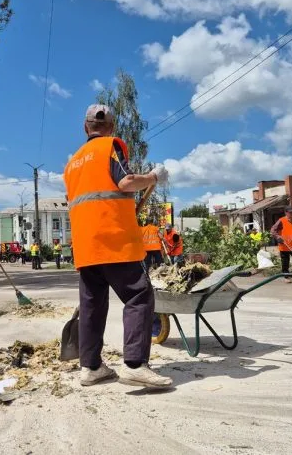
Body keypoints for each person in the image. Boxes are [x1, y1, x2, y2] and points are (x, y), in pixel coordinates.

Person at [64, 103, 172, 389]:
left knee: (92, 305)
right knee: (138, 296)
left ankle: (90, 367)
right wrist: (153, 177)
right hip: (114, 239)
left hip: (86, 245)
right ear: (111, 127)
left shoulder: (72, 163)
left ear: (86, 127)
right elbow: (125, 182)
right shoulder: (111, 145)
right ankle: (135, 365)